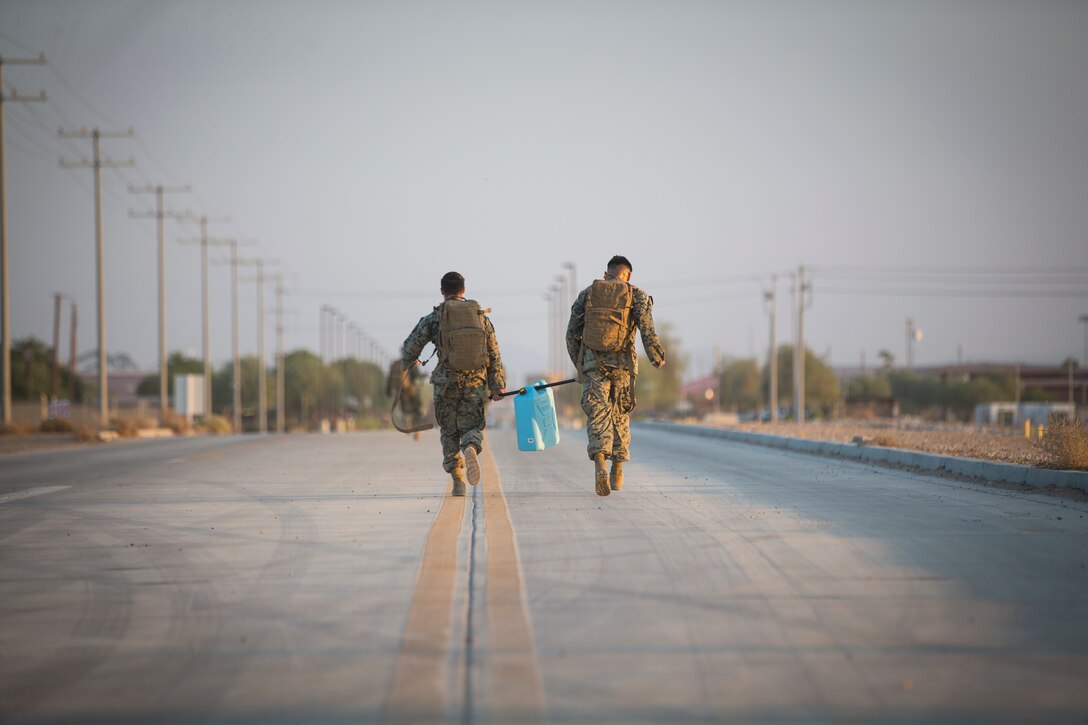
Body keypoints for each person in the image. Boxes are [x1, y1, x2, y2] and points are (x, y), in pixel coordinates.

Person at [566, 255, 665, 496]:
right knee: (619, 415)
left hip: (593, 366)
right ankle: (617, 470)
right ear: (628, 275)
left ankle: (600, 461)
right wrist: (656, 356)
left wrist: (581, 366)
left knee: (598, 415)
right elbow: (646, 328)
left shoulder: (588, 294)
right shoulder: (636, 295)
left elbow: (571, 335)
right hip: (622, 367)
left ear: (606, 273)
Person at [400, 271, 505, 496]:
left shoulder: (435, 317)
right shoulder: (481, 317)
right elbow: (494, 354)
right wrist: (497, 385)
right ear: (463, 290)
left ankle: (457, 479)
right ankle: (469, 446)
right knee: (472, 425)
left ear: (442, 291)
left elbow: (409, 347)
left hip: (446, 383)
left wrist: (410, 362)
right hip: (475, 383)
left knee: (448, 430)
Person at [387, 359, 424, 440]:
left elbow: (390, 380)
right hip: (412, 390)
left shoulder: (395, 364)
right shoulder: (412, 361)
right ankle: (417, 430)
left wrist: (388, 391)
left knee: (406, 411)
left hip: (402, 392)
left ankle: (408, 422)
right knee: (417, 411)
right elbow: (417, 375)